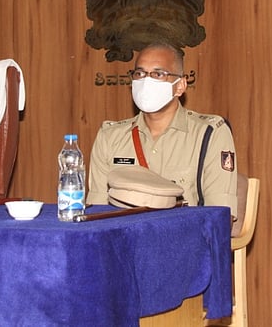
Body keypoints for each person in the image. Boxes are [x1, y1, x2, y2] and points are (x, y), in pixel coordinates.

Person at [87, 43, 238, 217]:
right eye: (140, 74)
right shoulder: (109, 137)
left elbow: (219, 217)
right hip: (124, 233)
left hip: (183, 232)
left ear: (180, 86)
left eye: (158, 74)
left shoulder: (210, 134)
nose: (146, 81)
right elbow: (97, 212)